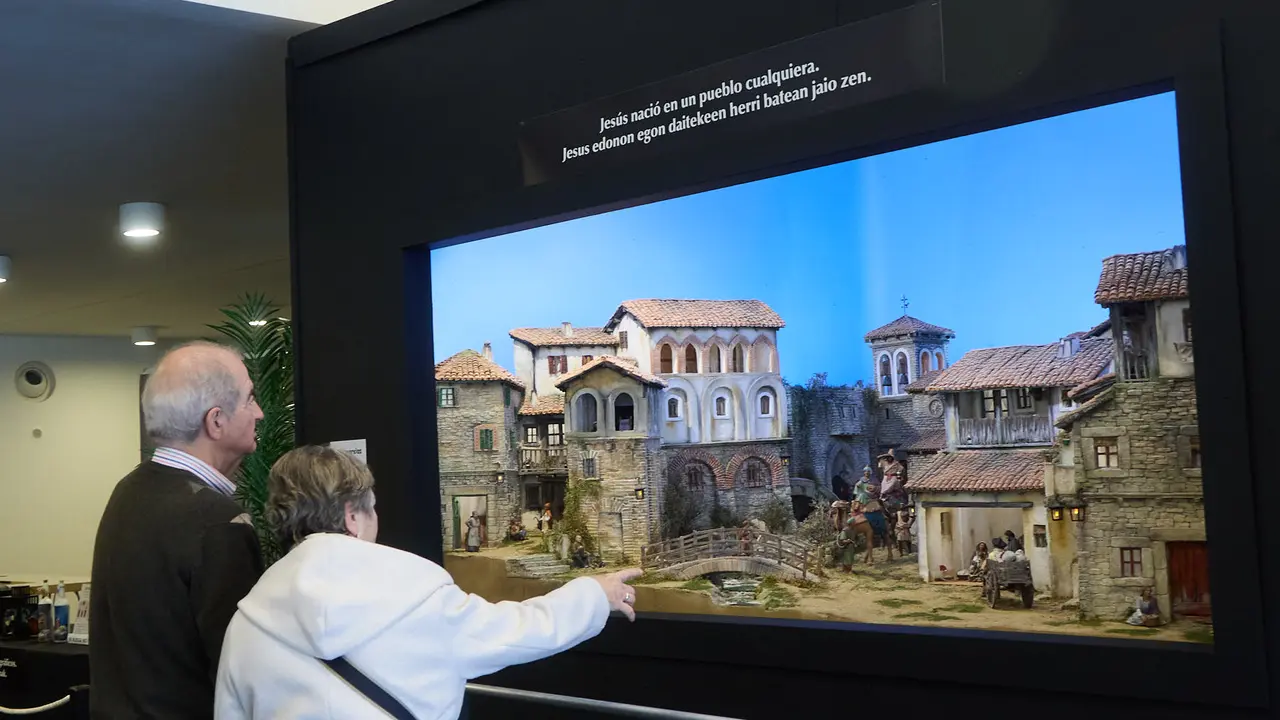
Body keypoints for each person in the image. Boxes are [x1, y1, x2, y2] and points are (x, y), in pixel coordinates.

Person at [216, 446, 641, 719]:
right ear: (351, 516)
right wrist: (594, 594)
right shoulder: (415, 593)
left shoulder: (248, 623)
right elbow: (519, 631)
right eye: (372, 509)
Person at [91, 341, 265, 719]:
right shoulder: (217, 521)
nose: (260, 413)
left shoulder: (127, 492)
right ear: (216, 420)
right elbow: (241, 671)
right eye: (250, 399)